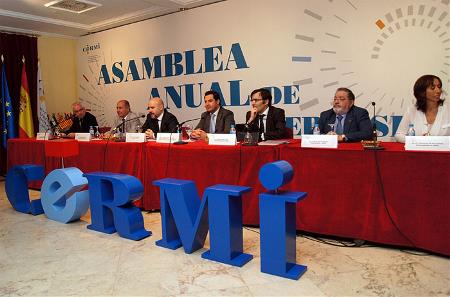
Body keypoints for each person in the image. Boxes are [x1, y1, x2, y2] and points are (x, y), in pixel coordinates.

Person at [395, 75, 450, 142]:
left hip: (443, 151)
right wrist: (417, 140)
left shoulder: (448, 108)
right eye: (432, 88)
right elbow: (399, 135)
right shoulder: (411, 110)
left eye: (439, 87)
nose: (438, 91)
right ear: (422, 92)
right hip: (418, 152)